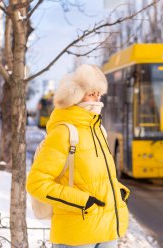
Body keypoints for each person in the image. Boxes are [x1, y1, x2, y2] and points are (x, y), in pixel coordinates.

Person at [26, 64, 130, 248]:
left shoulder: (98, 130)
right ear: (75, 96)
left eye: (99, 93)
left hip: (107, 230)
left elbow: (95, 177)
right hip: (76, 236)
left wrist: (117, 192)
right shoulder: (63, 133)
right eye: (92, 93)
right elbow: (37, 183)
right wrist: (83, 202)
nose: (97, 98)